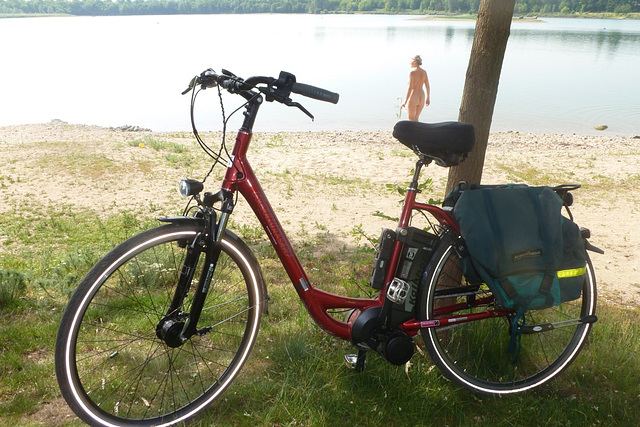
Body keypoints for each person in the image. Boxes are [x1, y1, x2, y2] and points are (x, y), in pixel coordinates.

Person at [401, 55, 431, 121]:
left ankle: (411, 131)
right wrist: (428, 98)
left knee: (411, 119)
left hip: (414, 96)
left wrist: (405, 101)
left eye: (411, 62)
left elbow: (410, 88)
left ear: (415, 62)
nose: (410, 63)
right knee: (416, 118)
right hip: (422, 96)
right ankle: (417, 131)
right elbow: (427, 86)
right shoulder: (424, 72)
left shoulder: (412, 73)